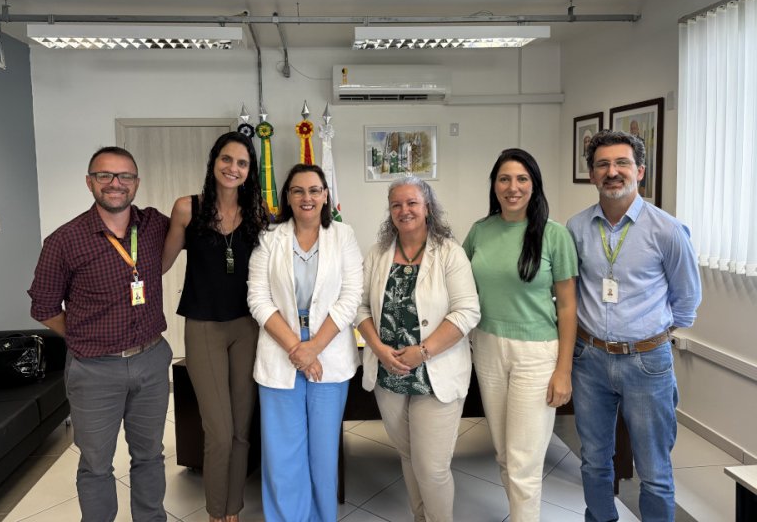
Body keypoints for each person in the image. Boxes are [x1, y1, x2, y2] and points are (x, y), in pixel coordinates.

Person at [28, 146, 171, 521]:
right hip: (94, 369)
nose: (115, 183)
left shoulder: (154, 225)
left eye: (125, 176)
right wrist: (83, 335)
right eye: (105, 175)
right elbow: (43, 307)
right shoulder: (64, 240)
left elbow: (201, 224)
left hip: (151, 360)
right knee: (95, 464)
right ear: (90, 182)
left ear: (136, 182)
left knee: (150, 456)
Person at [567, 130, 701, 522]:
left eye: (622, 163)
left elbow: (687, 299)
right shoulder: (575, 228)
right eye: (603, 165)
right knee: (594, 460)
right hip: (589, 360)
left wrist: (652, 336)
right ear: (592, 174)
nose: (612, 172)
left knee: (654, 470)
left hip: (647, 362)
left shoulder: (667, 230)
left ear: (640, 171)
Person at [356, 176, 480, 522]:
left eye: (412, 203)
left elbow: (467, 312)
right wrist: (379, 348)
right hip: (389, 372)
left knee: (432, 468)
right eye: (396, 204)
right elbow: (360, 307)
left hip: (434, 373)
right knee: (409, 456)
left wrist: (422, 352)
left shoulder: (449, 253)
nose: (404, 210)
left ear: (428, 208)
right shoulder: (378, 253)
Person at [463, 148, 578, 522]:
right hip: (487, 348)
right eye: (505, 179)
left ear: (534, 185)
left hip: (536, 353)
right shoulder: (480, 231)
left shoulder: (555, 235)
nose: (513, 187)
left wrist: (563, 371)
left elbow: (567, 308)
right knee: (504, 454)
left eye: (522, 179)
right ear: (494, 185)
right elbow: (459, 287)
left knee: (523, 460)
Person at [247, 163, 363, 522]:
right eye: (298, 190)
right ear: (288, 196)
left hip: (329, 349)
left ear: (325, 195)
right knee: (283, 453)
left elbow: (351, 296)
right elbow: (258, 298)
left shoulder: (343, 236)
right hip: (280, 345)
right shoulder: (269, 237)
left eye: (314, 190)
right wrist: (297, 348)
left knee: (323, 452)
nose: (306, 197)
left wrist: (313, 348)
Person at [162, 132, 268, 522]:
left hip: (247, 328)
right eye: (227, 159)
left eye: (242, 163)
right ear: (214, 161)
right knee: (219, 431)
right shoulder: (187, 209)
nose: (233, 168)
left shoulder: (258, 214)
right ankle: (215, 511)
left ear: (249, 171)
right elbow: (159, 265)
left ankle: (232, 509)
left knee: (241, 429)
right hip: (204, 327)